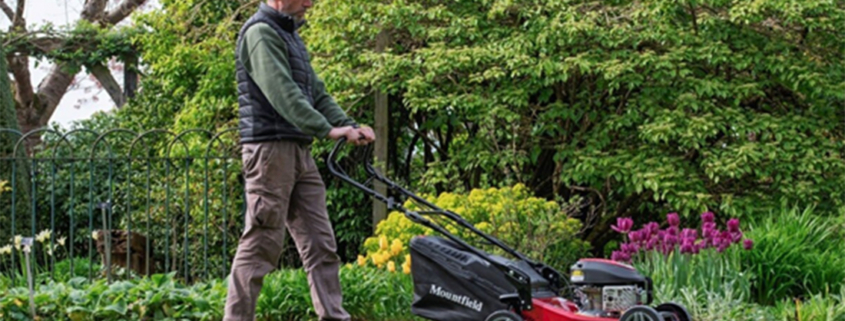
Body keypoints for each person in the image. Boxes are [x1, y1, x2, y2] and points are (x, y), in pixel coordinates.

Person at [224, 0, 375, 320]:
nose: (310, 3)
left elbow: (316, 94)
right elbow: (283, 93)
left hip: (299, 150)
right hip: (269, 151)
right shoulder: (260, 33)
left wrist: (348, 125)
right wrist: (327, 130)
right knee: (261, 244)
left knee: (320, 243)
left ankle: (334, 316)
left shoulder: (289, 35)